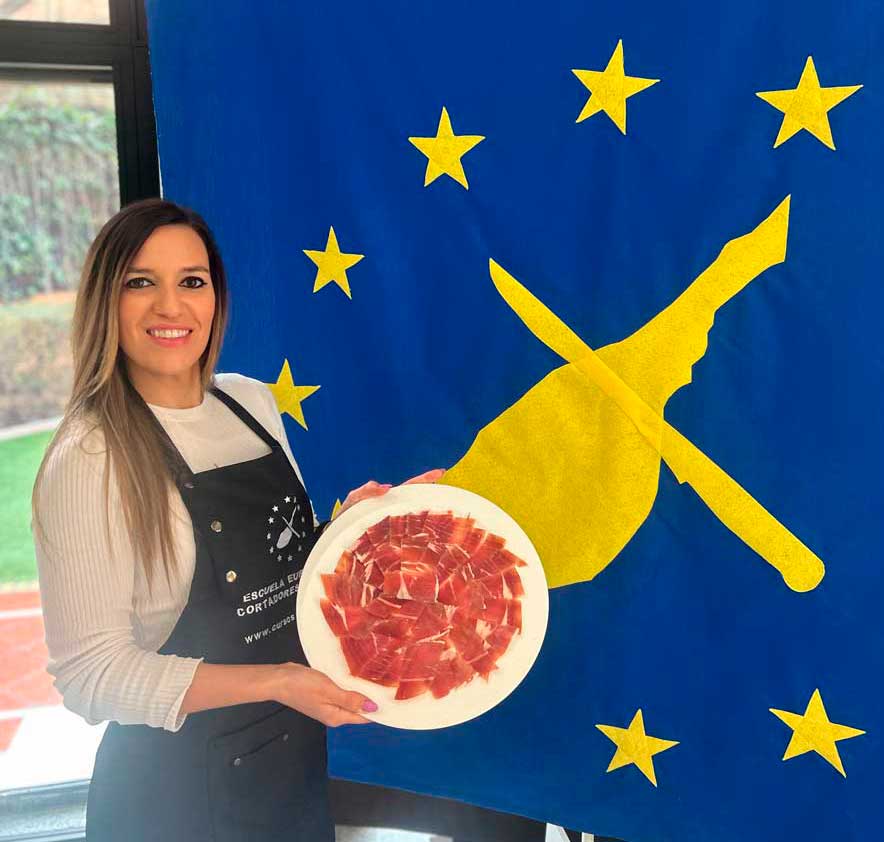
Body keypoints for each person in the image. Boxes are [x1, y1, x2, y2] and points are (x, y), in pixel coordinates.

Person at [31, 198, 443, 841]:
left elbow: (277, 568)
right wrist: (277, 680)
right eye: (141, 283)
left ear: (216, 298)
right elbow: (90, 677)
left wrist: (355, 528)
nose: (171, 306)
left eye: (192, 281)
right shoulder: (91, 455)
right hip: (172, 802)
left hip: (288, 763)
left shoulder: (248, 401)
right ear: (105, 301)